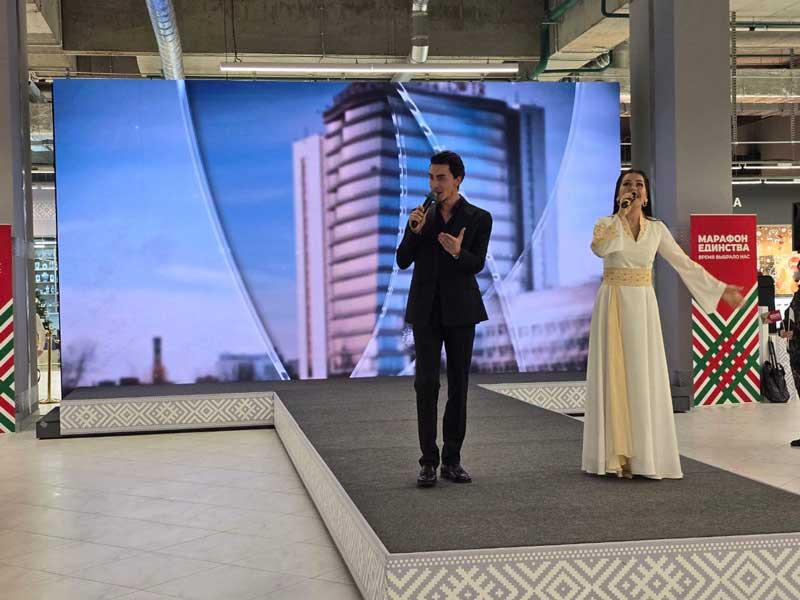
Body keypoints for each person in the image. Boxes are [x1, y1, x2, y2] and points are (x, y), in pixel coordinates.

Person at [582, 170, 744, 479]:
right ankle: (614, 455)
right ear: (618, 193)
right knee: (614, 374)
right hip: (612, 302)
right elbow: (600, 249)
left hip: (643, 304)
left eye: (639, 185)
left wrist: (720, 288)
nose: (633, 188)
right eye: (627, 184)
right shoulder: (606, 224)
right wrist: (621, 216)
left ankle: (642, 456)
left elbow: (683, 263)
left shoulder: (656, 229)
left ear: (647, 195)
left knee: (641, 374)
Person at [396, 150, 492, 488]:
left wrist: (456, 251)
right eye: (431, 177)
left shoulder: (479, 217)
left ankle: (452, 460)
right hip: (425, 310)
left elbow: (476, 263)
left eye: (441, 177)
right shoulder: (421, 216)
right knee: (425, 384)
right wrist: (413, 232)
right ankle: (427, 462)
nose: (434, 184)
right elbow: (402, 260)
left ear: (458, 179)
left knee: (458, 385)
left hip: (461, 311)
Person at [780, 269, 800, 446]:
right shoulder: (797, 296)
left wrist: (795, 333)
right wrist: (782, 328)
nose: (795, 272)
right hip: (796, 352)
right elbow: (787, 317)